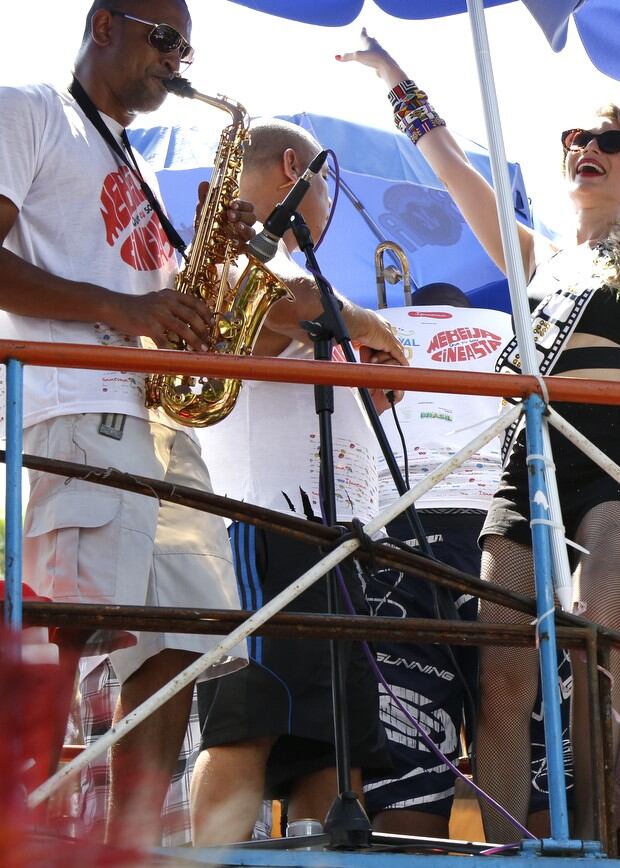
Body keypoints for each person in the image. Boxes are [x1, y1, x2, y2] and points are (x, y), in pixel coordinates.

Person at [339, 30, 620, 843]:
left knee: (587, 622)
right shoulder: (532, 259)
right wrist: (395, 77)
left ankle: (599, 834)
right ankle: (514, 849)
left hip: (617, 467)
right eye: (575, 140)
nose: (588, 149)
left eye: (609, 141)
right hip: (525, 467)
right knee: (504, 674)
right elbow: (453, 168)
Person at [0, 0, 256, 846]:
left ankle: (130, 846)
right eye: (165, 39)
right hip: (73, 414)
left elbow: (153, 301)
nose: (179, 61)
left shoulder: (133, 164)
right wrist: (122, 305)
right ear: (104, 24)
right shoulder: (30, 109)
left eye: (187, 47)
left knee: (188, 634)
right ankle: (17, 828)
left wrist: (213, 280)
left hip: (157, 424)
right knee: (69, 633)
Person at [188, 118, 409, 845]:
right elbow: (286, 309)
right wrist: (372, 326)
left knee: (335, 743)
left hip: (334, 535)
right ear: (294, 166)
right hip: (262, 525)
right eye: (326, 179)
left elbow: (310, 315)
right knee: (247, 724)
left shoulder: (307, 275)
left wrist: (367, 360)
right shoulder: (234, 263)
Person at [362, 287, 573, 839]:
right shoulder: (518, 328)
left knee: (413, 760)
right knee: (532, 741)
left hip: (399, 532)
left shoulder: (369, 326)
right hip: (506, 534)